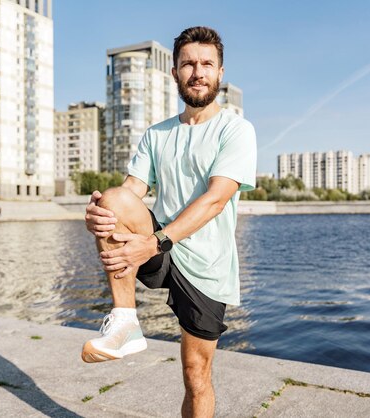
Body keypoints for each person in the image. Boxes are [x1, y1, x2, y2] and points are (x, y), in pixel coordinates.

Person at [81, 26, 257, 417]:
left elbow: (214, 200)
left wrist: (155, 242)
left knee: (196, 373)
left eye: (206, 64)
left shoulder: (236, 130)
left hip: (205, 266)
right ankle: (125, 322)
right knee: (111, 200)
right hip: (160, 248)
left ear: (220, 72)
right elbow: (132, 191)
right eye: (188, 64)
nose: (198, 72)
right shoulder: (157, 134)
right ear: (175, 72)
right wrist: (100, 213)